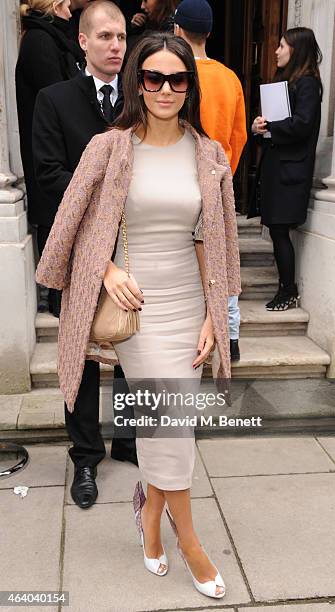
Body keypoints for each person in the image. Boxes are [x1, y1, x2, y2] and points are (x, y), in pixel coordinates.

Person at [35, 31, 240, 598]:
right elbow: (70, 222)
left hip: (189, 305)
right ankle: (189, 537)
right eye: (154, 78)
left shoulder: (209, 153)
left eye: (178, 79)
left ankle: (151, 513)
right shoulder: (110, 146)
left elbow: (212, 239)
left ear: (189, 85)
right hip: (136, 307)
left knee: (167, 421)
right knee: (169, 420)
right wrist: (105, 270)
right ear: (138, 83)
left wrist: (212, 314)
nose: (167, 89)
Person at [32, 0, 138, 510]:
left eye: (120, 37)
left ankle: (131, 441)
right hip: (79, 247)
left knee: (132, 342)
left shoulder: (145, 98)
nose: (116, 46)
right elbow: (49, 176)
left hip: (136, 245)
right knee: (82, 353)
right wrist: (96, 223)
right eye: (105, 37)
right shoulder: (54, 99)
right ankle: (85, 457)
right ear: (83, 41)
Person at [174, 0, 247, 362]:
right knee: (222, 259)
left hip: (180, 182)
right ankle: (230, 337)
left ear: (177, 30)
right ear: (209, 33)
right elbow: (239, 136)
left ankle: (194, 332)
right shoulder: (230, 77)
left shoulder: (177, 77)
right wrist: (225, 175)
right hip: (218, 183)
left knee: (189, 262)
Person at [16, 0, 84, 316]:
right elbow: (58, 95)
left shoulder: (50, 37)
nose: (72, 10)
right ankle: (56, 296)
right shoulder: (40, 41)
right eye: (67, 4)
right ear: (55, 6)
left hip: (59, 144)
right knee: (55, 218)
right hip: (51, 147)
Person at [250, 27, 323, 311]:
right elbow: (277, 124)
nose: (276, 51)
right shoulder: (286, 81)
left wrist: (271, 127)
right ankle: (285, 288)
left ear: (296, 49)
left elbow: (303, 124)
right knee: (276, 228)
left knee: (280, 230)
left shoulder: (307, 84)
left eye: (282, 46)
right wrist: (257, 128)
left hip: (290, 174)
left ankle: (288, 291)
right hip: (277, 169)